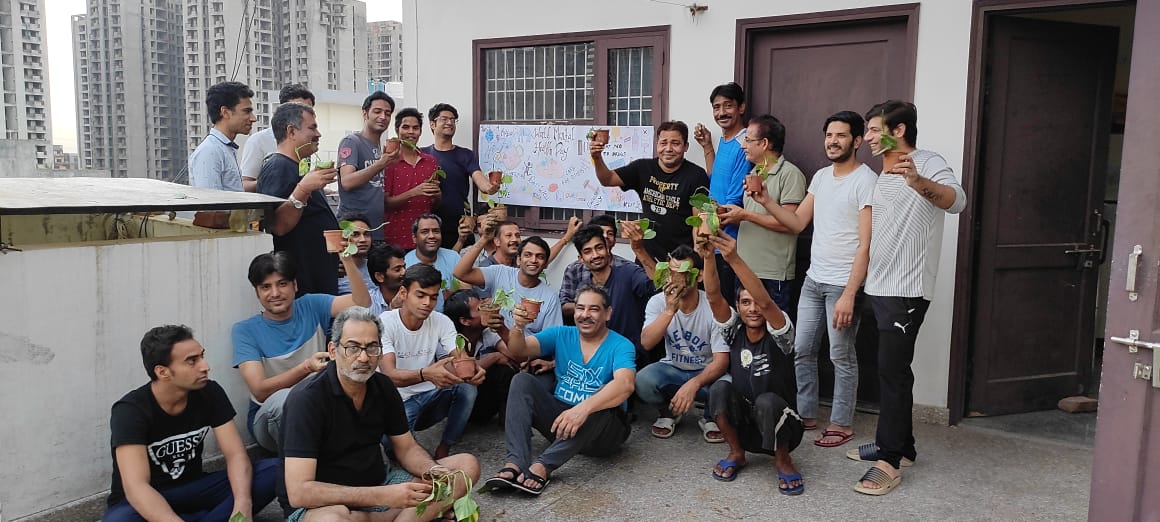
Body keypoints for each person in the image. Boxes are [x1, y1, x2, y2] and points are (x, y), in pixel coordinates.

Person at [849, 100, 966, 496]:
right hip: (879, 287)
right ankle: (903, 446)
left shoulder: (927, 161)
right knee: (888, 369)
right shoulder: (881, 176)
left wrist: (919, 182)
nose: (865, 138)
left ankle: (889, 460)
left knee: (892, 372)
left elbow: (957, 201)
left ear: (897, 131)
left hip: (908, 290)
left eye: (872, 130)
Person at [280, 307, 480, 520]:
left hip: (380, 484)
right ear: (332, 350)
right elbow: (299, 493)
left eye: (372, 347)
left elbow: (407, 448)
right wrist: (382, 496)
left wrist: (432, 471)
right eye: (353, 348)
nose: (364, 357)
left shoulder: (382, 386)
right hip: (325, 504)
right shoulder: (307, 400)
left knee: (465, 466)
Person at [751, 110, 876, 447]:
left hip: (843, 285)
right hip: (813, 281)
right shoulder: (821, 177)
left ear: (857, 141)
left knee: (841, 354)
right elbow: (796, 224)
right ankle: (806, 412)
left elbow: (866, 244)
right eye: (829, 135)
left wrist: (851, 292)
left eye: (841, 135)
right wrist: (765, 201)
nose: (833, 141)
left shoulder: (866, 181)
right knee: (802, 349)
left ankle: (841, 422)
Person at [104, 325, 278, 521]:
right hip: (146, 499)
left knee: (275, 471)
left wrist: (243, 504)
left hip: (194, 489)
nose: (205, 366)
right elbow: (137, 487)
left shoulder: (209, 392)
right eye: (192, 361)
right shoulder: (130, 410)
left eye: (201, 356)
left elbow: (236, 455)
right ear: (163, 372)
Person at [481, 286, 635, 496]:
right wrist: (518, 326)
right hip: (562, 425)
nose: (585, 315)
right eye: (580, 308)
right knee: (522, 380)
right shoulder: (561, 334)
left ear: (607, 313)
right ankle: (516, 462)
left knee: (606, 397)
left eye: (594, 309)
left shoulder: (621, 345)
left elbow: (625, 384)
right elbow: (519, 351)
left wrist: (582, 409)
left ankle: (543, 466)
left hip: (602, 435)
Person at [698, 232, 804, 495]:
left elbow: (767, 302)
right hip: (746, 426)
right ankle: (737, 453)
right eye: (745, 303)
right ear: (738, 306)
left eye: (756, 302)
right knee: (720, 389)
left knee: (767, 401)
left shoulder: (781, 333)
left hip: (783, 425)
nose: (753, 308)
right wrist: (709, 256)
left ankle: (782, 460)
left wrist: (733, 258)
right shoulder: (733, 330)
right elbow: (712, 297)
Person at [232, 251, 370, 452]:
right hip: (269, 415)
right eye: (265, 287)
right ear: (257, 292)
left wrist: (347, 258)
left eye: (282, 284)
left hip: (320, 407)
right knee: (287, 400)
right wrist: (306, 367)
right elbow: (260, 390)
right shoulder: (245, 330)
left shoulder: (311, 305)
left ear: (294, 285)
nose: (275, 293)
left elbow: (362, 302)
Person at [378, 264, 485, 459]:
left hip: (431, 396)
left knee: (468, 389)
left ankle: (445, 446)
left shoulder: (441, 321)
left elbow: (459, 357)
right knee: (395, 452)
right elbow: (389, 376)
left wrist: (473, 370)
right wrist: (425, 374)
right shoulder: (385, 323)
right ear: (403, 293)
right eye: (420, 295)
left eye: (434, 297)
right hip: (397, 403)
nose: (427, 303)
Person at [638, 244, 729, 442]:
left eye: (684, 273)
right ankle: (669, 413)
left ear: (699, 276)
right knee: (642, 381)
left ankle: (709, 416)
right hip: (673, 368)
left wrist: (694, 383)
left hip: (706, 373)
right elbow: (646, 343)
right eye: (672, 272)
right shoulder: (658, 302)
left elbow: (722, 360)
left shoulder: (713, 307)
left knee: (727, 387)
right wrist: (669, 310)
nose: (676, 279)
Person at [717, 114, 807, 314]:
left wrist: (746, 216)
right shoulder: (753, 173)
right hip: (744, 267)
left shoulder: (790, 174)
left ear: (764, 143)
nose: (743, 146)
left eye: (748, 140)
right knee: (745, 330)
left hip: (772, 273)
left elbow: (789, 223)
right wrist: (732, 215)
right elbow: (753, 217)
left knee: (774, 331)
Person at [590, 121, 709, 261]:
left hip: (681, 259)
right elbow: (608, 179)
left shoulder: (696, 175)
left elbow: (699, 221)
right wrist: (597, 158)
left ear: (685, 146)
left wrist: (697, 257)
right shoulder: (642, 168)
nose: (668, 149)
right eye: (663, 143)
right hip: (647, 256)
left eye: (675, 143)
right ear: (657, 144)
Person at [257, 102, 340, 296]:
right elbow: (278, 226)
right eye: (312, 127)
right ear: (291, 132)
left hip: (318, 279)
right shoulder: (279, 167)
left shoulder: (295, 167)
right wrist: (304, 188)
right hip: (303, 283)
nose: (318, 134)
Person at [561, 225, 655, 371]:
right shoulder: (584, 289)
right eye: (588, 251)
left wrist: (639, 249)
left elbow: (657, 284)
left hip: (631, 359)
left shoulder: (628, 273)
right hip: (596, 362)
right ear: (581, 259)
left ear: (607, 249)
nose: (595, 255)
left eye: (599, 248)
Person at [693, 82, 753, 303]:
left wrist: (704, 232)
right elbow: (716, 178)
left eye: (728, 106)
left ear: (741, 107)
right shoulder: (726, 139)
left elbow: (733, 202)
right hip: (713, 241)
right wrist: (708, 146)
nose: (721, 113)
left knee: (725, 306)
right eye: (716, 107)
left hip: (727, 243)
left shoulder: (744, 144)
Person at [421, 103, 499, 248]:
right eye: (444, 119)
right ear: (432, 124)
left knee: (461, 267)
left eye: (453, 120)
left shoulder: (465, 154)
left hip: (461, 225)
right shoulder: (422, 155)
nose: (450, 123)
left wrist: (490, 187)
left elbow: (479, 179)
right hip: (430, 224)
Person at [454, 234, 563, 334]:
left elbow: (552, 339)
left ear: (545, 264)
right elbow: (460, 273)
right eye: (528, 255)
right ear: (519, 260)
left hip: (527, 352)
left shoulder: (551, 298)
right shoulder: (499, 273)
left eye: (540, 257)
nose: (533, 260)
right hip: (493, 344)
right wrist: (484, 238)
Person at [444, 289, 518, 425]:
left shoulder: (487, 333)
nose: (485, 309)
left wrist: (502, 330)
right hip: (456, 403)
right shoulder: (449, 339)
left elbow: (516, 356)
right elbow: (459, 373)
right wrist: (494, 357)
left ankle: (509, 420)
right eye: (479, 309)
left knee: (506, 370)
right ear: (465, 321)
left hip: (484, 404)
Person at [338, 91, 399, 240]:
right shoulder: (352, 141)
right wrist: (381, 164)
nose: (383, 117)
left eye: (388, 113)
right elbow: (347, 181)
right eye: (377, 111)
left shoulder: (381, 148)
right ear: (365, 114)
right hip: (354, 230)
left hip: (376, 230)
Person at [238, 84, 314, 192]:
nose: (304, 115)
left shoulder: (307, 141)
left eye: (309, 110)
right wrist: (276, 180)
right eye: (298, 110)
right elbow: (244, 185)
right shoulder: (258, 141)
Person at [385, 107, 440, 249]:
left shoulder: (431, 161)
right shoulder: (388, 162)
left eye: (415, 128)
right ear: (397, 130)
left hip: (425, 239)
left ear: (421, 131)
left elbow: (435, 203)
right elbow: (386, 203)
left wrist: (438, 195)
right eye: (406, 127)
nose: (411, 132)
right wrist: (414, 192)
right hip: (395, 238)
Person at [189, 81, 256, 192]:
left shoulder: (225, 148)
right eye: (246, 111)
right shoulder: (210, 151)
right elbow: (210, 206)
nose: (253, 118)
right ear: (225, 112)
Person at [403, 214, 463, 312]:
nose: (431, 236)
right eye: (425, 232)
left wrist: (454, 290)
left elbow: (466, 288)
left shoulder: (453, 257)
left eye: (436, 231)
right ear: (414, 238)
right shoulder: (406, 265)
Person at [336, 213, 375, 296]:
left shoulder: (377, 266)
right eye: (355, 235)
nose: (363, 239)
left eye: (366, 234)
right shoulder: (334, 270)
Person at [367, 242, 407, 316]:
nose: (404, 272)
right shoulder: (368, 302)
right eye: (397, 270)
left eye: (404, 267)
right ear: (379, 276)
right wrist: (392, 309)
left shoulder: (412, 296)